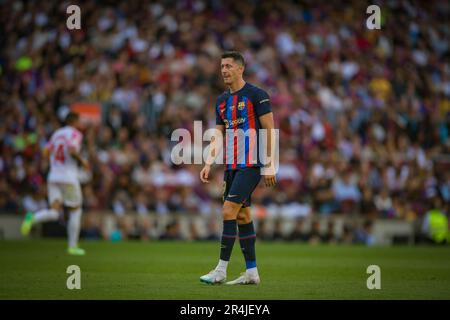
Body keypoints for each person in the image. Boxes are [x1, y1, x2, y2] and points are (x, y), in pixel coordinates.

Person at [199, 51, 277, 285]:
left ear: (240, 69)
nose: (224, 70)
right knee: (242, 215)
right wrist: (208, 162)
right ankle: (252, 273)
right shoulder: (221, 101)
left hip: (251, 164)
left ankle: (221, 270)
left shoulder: (257, 95)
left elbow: (269, 130)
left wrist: (271, 164)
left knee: (228, 210)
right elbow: (218, 135)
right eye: (222, 66)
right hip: (231, 167)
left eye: (229, 66)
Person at [20, 112, 89, 255]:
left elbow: (45, 152)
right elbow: (71, 150)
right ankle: (72, 246)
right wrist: (83, 162)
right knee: (75, 210)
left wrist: (54, 163)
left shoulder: (57, 134)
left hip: (54, 176)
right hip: (68, 177)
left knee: (54, 212)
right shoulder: (75, 134)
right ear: (75, 121)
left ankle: (32, 218)